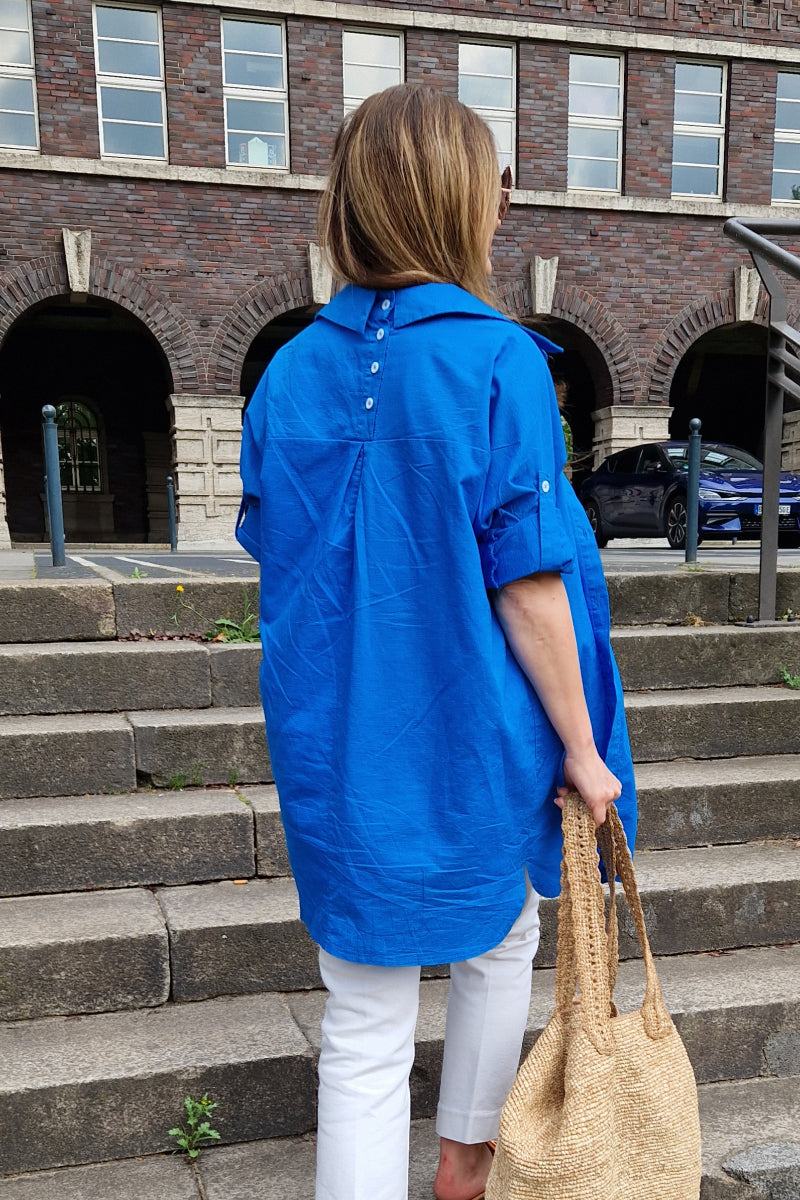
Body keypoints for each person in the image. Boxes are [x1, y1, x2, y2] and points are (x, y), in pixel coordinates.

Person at [235, 83, 636, 1200]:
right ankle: (465, 1168)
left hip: (336, 724)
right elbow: (529, 582)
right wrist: (582, 746)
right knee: (496, 944)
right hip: (474, 719)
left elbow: (283, 553)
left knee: (360, 1009)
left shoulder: (285, 371)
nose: (503, 203)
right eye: (493, 181)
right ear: (457, 198)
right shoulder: (497, 358)